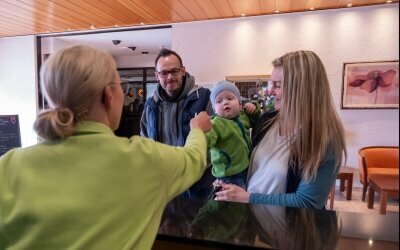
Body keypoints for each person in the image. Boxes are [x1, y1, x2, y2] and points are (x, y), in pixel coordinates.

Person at [0, 45, 212, 249]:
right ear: (108, 96)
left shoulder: (8, 166)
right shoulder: (146, 160)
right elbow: (193, 158)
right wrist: (197, 130)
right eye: (121, 86)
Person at [214, 50, 347, 209]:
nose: (269, 91)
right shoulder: (267, 120)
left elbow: (307, 202)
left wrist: (247, 197)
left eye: (277, 85)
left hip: (289, 231)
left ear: (300, 89)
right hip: (256, 225)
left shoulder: (324, 138)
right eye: (271, 83)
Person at [140, 48, 214, 199]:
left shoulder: (205, 98)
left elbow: (216, 138)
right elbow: (145, 143)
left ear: (183, 71)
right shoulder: (150, 106)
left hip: (200, 185)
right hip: (164, 185)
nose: (169, 77)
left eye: (174, 71)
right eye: (164, 73)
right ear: (156, 76)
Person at [206, 81, 261, 195]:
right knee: (233, 203)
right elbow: (207, 139)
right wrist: (201, 132)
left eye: (230, 98)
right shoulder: (215, 124)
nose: (225, 103)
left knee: (246, 197)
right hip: (228, 175)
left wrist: (253, 107)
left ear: (239, 103)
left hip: (246, 168)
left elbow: (258, 121)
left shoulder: (243, 116)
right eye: (219, 101)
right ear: (214, 109)